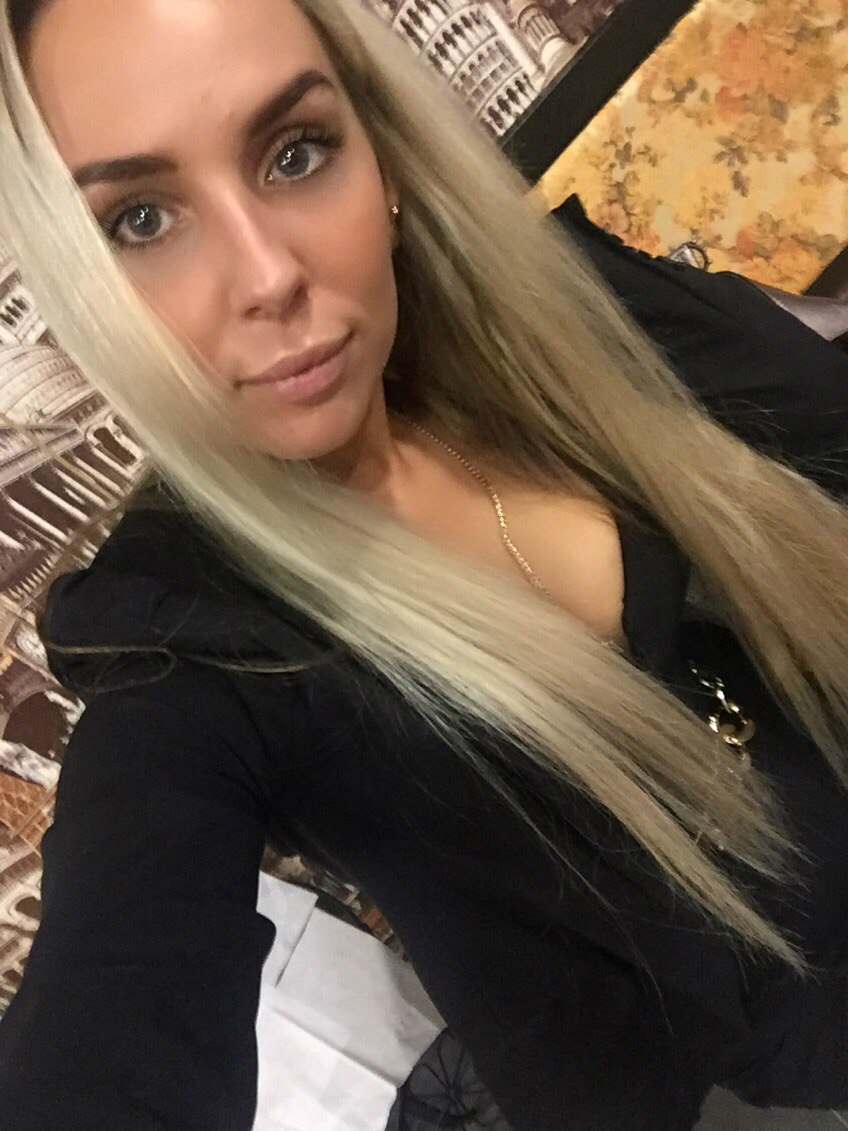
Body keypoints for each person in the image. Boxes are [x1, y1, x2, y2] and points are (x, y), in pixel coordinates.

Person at [0, 1, 847, 1128]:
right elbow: (110, 1014)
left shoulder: (569, 309)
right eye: (141, 219)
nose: (267, 275)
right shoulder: (194, 652)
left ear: (383, 156)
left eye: (295, 152)